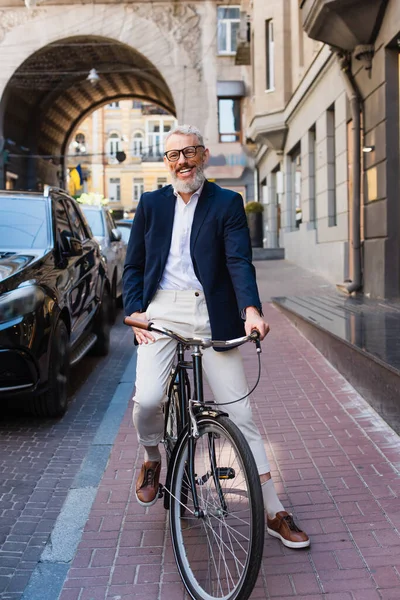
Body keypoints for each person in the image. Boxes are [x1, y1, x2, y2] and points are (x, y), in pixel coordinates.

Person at [122, 124, 310, 549]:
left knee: (239, 413)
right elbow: (133, 265)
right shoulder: (151, 204)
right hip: (161, 311)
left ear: (204, 155)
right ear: (166, 162)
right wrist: (134, 311)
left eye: (189, 152)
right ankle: (152, 458)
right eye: (173, 155)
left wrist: (251, 311)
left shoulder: (227, 202)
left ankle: (274, 510)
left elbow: (239, 261)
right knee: (148, 400)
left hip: (212, 312)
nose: (182, 161)